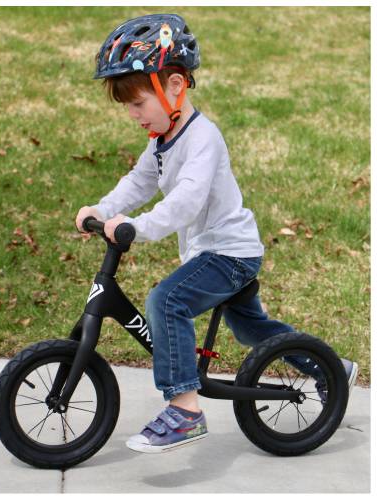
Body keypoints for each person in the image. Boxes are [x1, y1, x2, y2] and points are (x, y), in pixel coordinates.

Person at [77, 13, 358, 454]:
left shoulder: (203, 138)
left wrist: (138, 227)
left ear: (173, 85)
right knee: (252, 331)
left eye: (137, 103)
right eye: (127, 106)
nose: (132, 114)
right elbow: (140, 181)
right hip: (212, 253)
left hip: (230, 253)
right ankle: (331, 368)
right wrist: (103, 209)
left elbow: (186, 201)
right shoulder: (162, 138)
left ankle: (185, 411)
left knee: (166, 301)